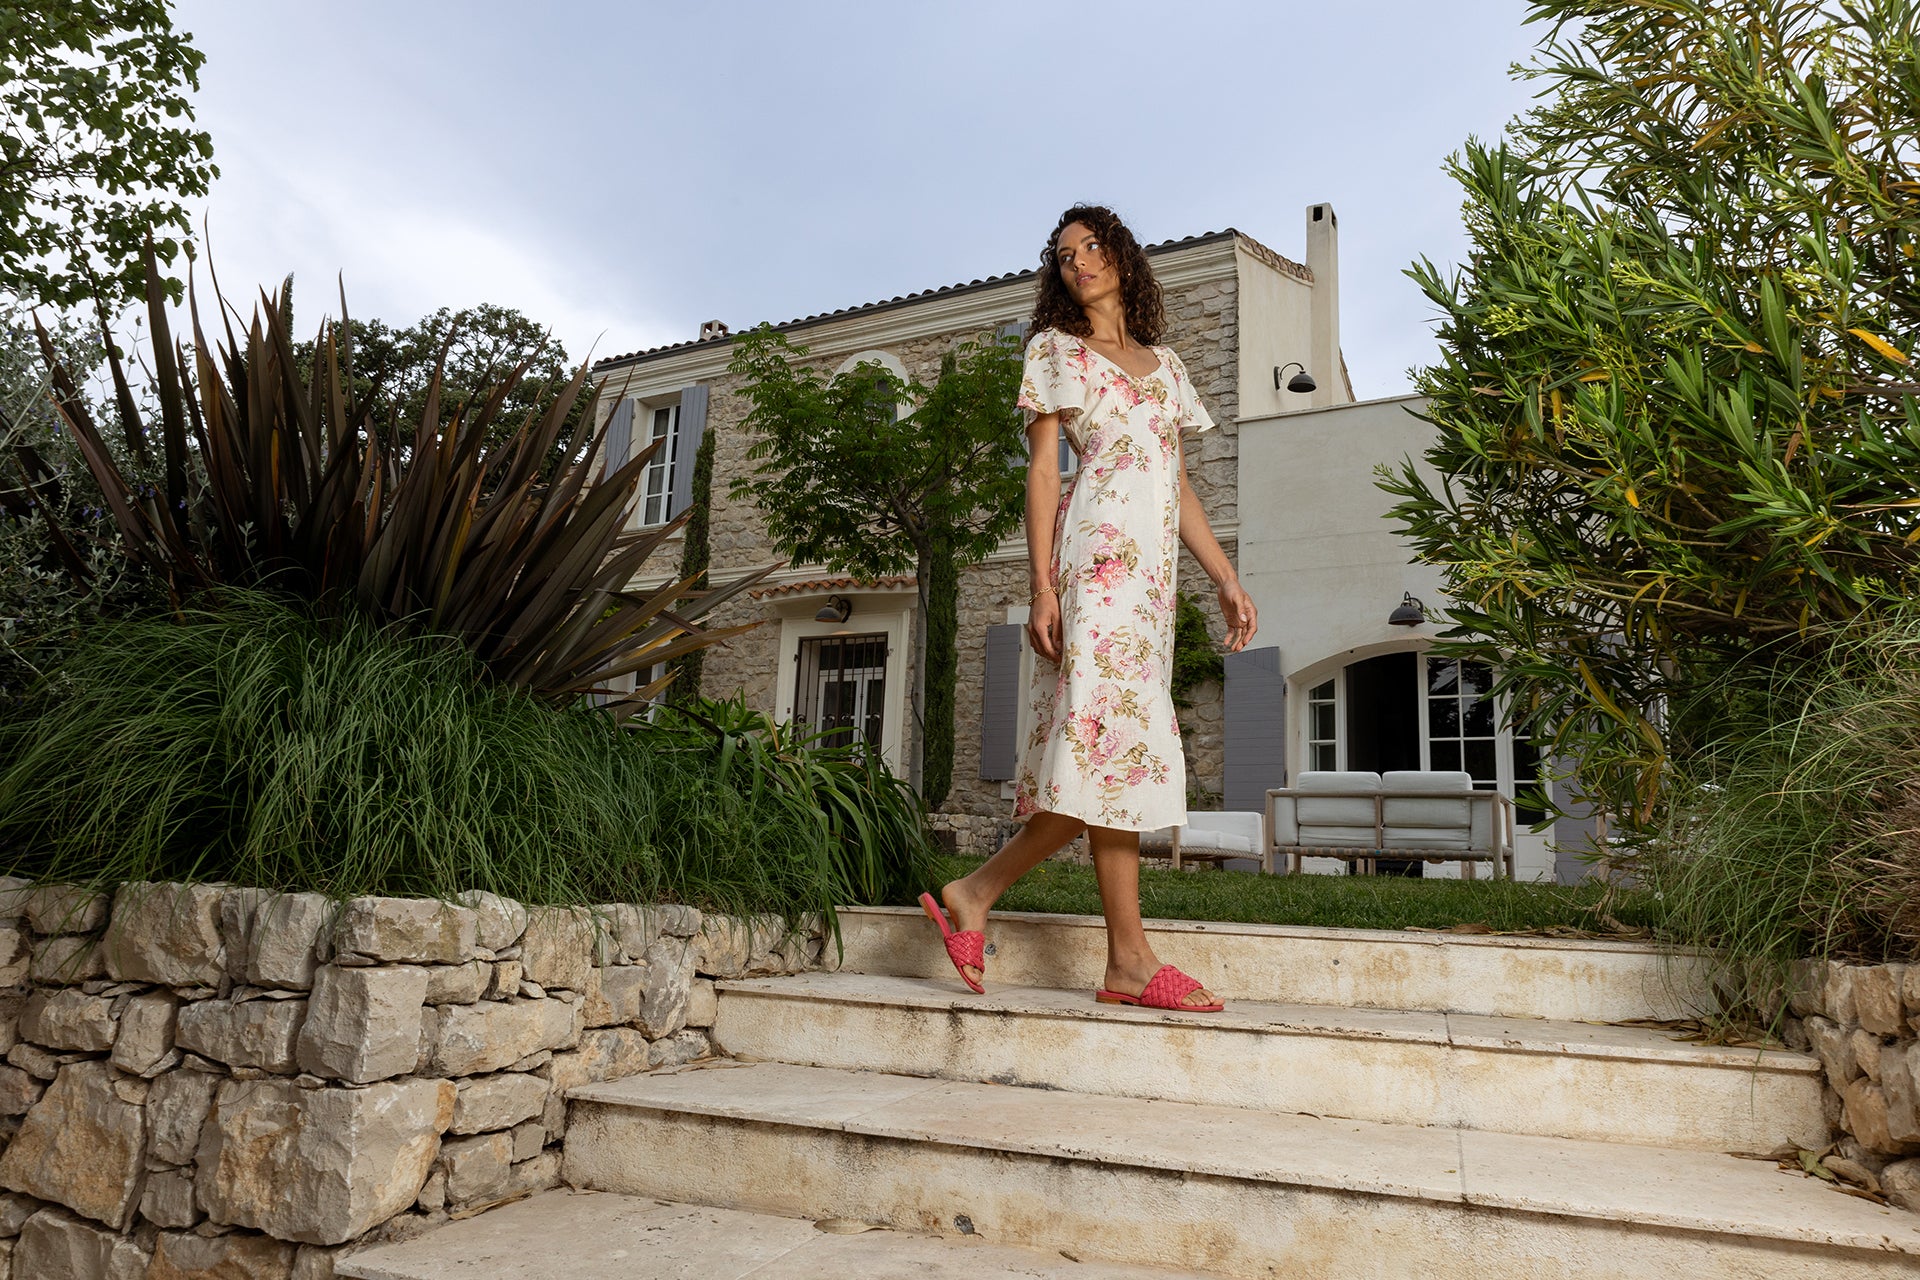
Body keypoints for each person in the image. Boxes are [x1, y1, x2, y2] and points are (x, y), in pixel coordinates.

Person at [920, 205, 1258, 1013]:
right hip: (1094, 565)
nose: (1081, 261)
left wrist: (1224, 576)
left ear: (1122, 256)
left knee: (1120, 753)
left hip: (1150, 585)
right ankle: (1125, 957)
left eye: (1093, 245)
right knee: (1109, 746)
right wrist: (1042, 584)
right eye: (1065, 255)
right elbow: (1044, 472)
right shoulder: (1055, 351)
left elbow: (1177, 485)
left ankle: (986, 896)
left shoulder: (1166, 367)